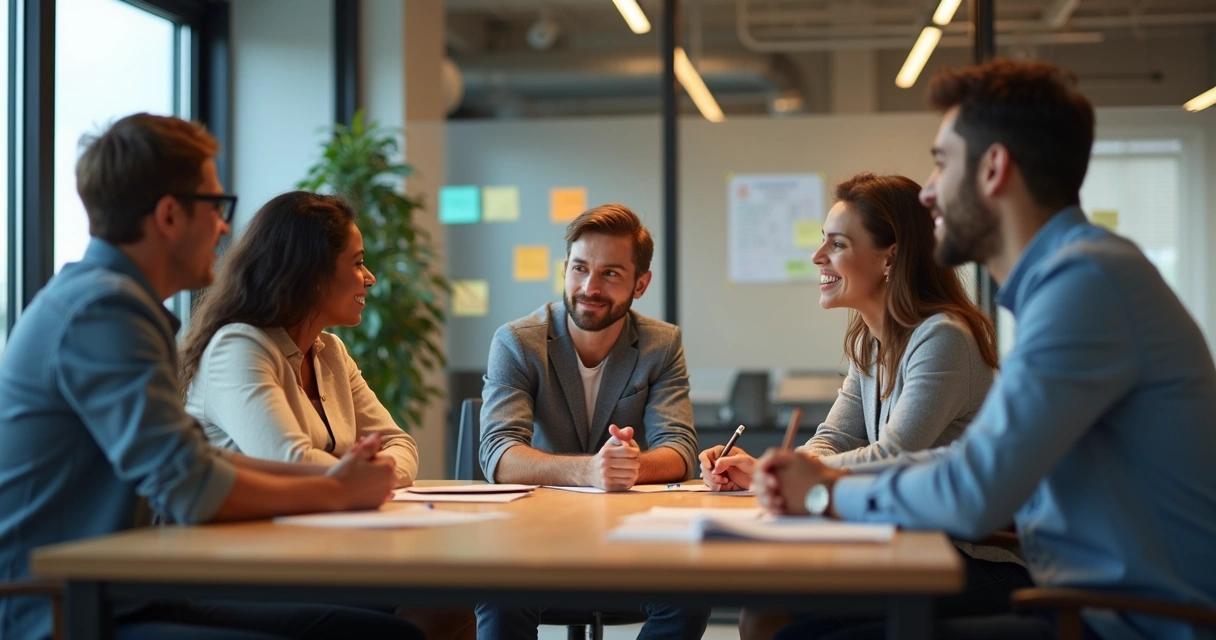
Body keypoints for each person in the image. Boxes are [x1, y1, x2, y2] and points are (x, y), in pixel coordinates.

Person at [755, 59, 1216, 640]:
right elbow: (971, 461)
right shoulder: (1073, 280)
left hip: (1122, 622)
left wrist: (824, 493)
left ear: (994, 168)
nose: (927, 192)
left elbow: (974, 492)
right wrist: (827, 481)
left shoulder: (1085, 285)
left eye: (942, 163)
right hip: (1083, 604)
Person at [0, 114, 421, 640]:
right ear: (170, 215)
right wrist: (335, 492)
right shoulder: (102, 311)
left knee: (383, 631)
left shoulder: (114, 302)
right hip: (66, 612)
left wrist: (332, 480)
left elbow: (198, 461)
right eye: (216, 207)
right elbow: (192, 487)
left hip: (137, 592)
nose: (225, 228)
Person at [700, 173, 1025, 639]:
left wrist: (792, 473)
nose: (818, 258)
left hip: (969, 558)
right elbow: (835, 438)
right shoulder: (873, 345)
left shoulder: (943, 337)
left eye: (837, 245)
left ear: (889, 256)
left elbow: (894, 456)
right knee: (763, 614)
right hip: (904, 546)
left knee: (788, 630)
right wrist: (776, 471)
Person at [476, 204, 708, 639]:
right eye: (580, 268)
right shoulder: (517, 342)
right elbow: (498, 453)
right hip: (537, 543)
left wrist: (632, 466)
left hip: (633, 543)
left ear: (641, 284)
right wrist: (588, 470)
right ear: (565, 269)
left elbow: (680, 450)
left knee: (691, 594)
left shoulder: (662, 344)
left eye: (611, 274)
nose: (589, 287)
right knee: (499, 598)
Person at [180, 191, 418, 488]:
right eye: (357, 263)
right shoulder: (237, 349)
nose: (369, 278)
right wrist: (359, 474)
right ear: (314, 276)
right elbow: (289, 463)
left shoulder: (332, 352)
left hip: (308, 529)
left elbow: (400, 444)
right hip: (234, 534)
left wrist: (367, 474)